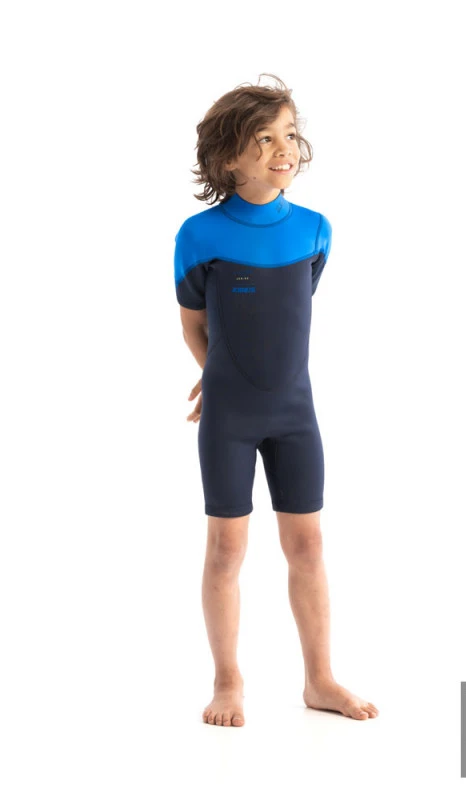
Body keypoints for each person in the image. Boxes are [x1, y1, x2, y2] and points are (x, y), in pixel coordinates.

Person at [174, 74, 378, 727]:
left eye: (288, 133)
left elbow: (288, 315)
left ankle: (320, 679)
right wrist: (218, 375)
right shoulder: (198, 235)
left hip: (296, 415)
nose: (283, 148)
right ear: (227, 157)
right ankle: (227, 681)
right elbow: (195, 323)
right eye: (263, 139)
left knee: (308, 545)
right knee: (226, 550)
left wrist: (240, 369)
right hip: (229, 419)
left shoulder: (315, 231)